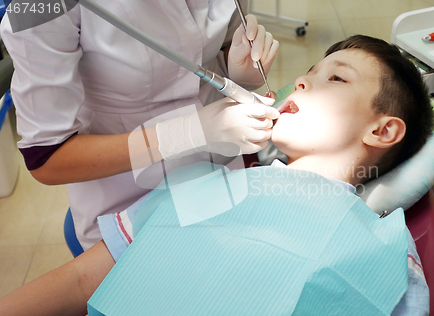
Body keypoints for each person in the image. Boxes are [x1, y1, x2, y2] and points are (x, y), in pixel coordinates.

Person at [0, 35, 433, 316]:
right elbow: (79, 282)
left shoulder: (385, 257)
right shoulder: (200, 187)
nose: (301, 80)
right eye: (310, 71)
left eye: (335, 78)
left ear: (382, 131)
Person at [0, 0, 280, 250]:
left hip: (222, 176)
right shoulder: (35, 7)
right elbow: (46, 160)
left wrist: (238, 69)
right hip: (128, 201)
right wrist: (187, 134)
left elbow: (219, 39)